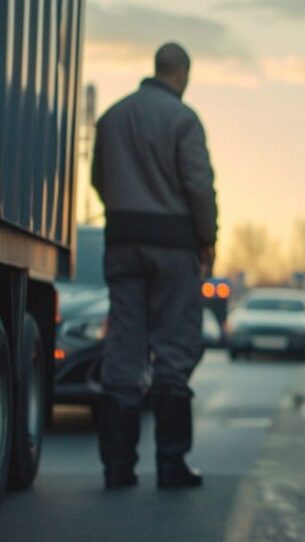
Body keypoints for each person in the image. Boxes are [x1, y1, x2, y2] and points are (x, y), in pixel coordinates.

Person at [92, 42, 217, 490]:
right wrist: (206, 239)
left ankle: (118, 467)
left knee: (124, 346)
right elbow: (198, 185)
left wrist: (125, 211)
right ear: (182, 74)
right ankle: (170, 464)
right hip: (173, 248)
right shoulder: (183, 119)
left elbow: (98, 178)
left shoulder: (112, 116)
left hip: (123, 242)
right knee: (173, 348)